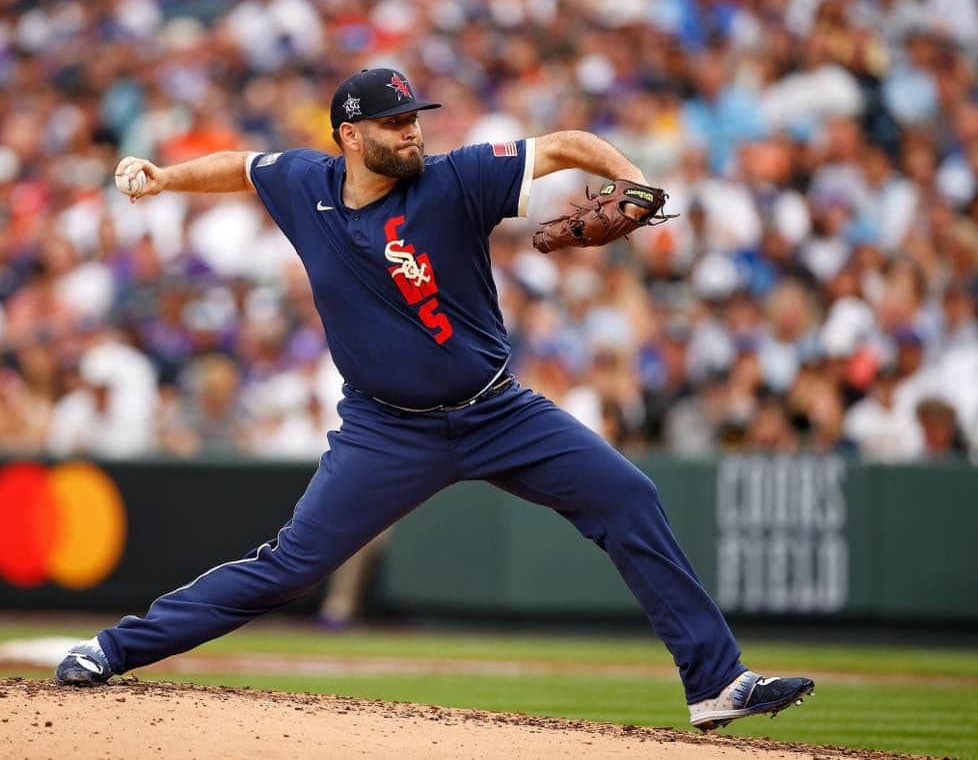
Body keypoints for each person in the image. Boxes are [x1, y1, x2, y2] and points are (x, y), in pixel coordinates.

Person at [55, 68, 814, 731]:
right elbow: (243, 167)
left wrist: (637, 183)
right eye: (395, 122)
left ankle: (716, 680)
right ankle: (112, 650)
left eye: (416, 117)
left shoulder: (456, 180)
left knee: (628, 495)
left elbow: (569, 144)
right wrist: (164, 176)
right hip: (386, 431)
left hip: (499, 412)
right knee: (288, 567)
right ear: (351, 136)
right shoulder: (306, 185)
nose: (413, 132)